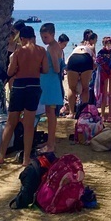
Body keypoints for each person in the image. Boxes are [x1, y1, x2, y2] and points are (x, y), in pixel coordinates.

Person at [0, 26, 47, 167]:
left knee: (11, 122)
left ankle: (1, 156)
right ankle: (25, 159)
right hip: (34, 86)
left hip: (19, 86)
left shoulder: (18, 52)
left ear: (23, 38)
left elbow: (10, 71)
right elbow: (46, 69)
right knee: (29, 125)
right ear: (33, 37)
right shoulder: (41, 51)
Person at [39, 22, 63, 152]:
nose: (44, 39)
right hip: (51, 82)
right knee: (50, 113)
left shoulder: (51, 48)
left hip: (50, 83)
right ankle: (50, 142)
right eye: (42, 37)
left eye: (46, 37)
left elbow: (57, 68)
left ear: (53, 35)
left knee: (51, 113)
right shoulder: (56, 46)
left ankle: (51, 144)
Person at [65, 29, 96, 118]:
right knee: (85, 88)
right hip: (86, 59)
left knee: (71, 88)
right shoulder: (91, 46)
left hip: (73, 59)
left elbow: (67, 62)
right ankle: (84, 112)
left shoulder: (78, 46)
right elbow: (94, 62)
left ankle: (71, 113)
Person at [96, 36, 111, 121]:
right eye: (107, 43)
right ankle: (103, 115)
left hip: (110, 73)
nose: (108, 45)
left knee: (110, 94)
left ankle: (109, 115)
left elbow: (99, 62)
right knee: (104, 94)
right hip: (105, 74)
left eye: (110, 43)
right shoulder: (104, 52)